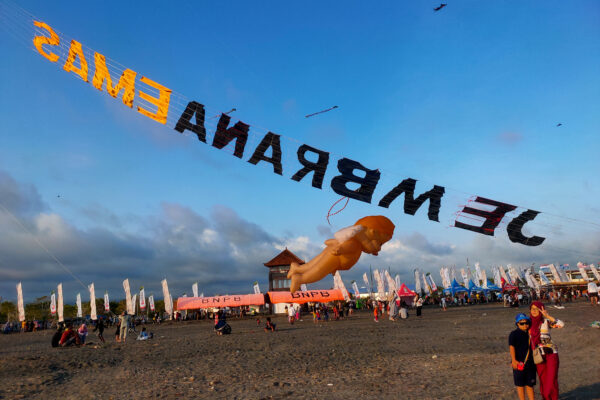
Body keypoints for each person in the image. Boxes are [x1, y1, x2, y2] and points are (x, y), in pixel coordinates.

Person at [287, 216, 395, 292]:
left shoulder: (354, 239)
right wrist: (341, 249)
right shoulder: (355, 243)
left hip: (334, 253)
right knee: (318, 271)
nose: (379, 248)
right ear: (372, 233)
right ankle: (300, 279)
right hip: (336, 257)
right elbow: (349, 246)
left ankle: (297, 268)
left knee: (311, 265)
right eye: (380, 243)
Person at [530, 301, 563, 400]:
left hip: (551, 354)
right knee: (543, 379)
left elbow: (561, 324)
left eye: (537, 309)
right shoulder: (528, 323)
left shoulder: (545, 322)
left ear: (541, 309)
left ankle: (550, 397)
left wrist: (548, 316)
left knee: (551, 379)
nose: (534, 311)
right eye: (532, 309)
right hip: (538, 356)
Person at [509, 313, 536, 400]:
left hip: (531, 363)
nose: (525, 325)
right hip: (518, 363)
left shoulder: (530, 333)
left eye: (526, 323)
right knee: (520, 385)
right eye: (522, 323)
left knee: (530, 385)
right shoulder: (513, 334)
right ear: (517, 324)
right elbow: (511, 347)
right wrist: (513, 360)